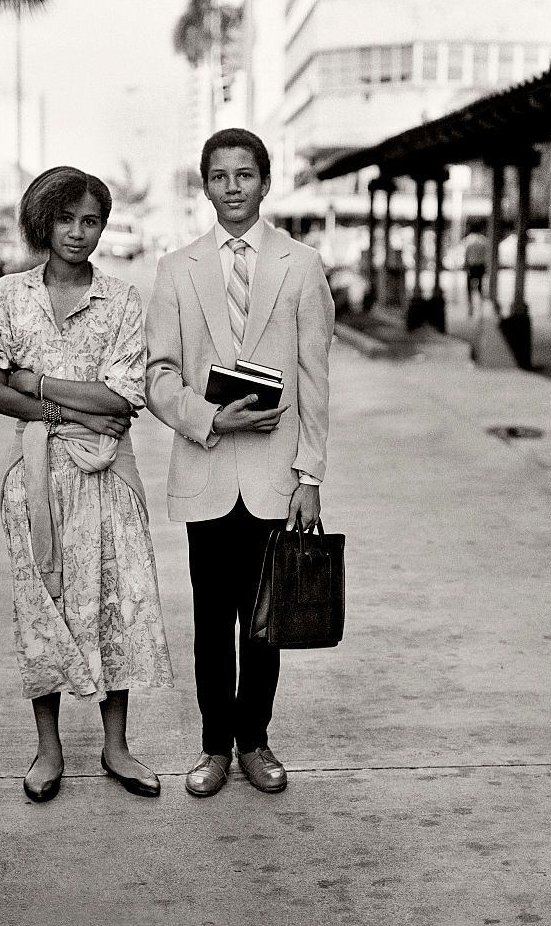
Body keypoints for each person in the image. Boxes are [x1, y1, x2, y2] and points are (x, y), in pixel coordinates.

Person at [0, 166, 173, 803]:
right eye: (66, 220)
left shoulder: (121, 300)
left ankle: (116, 746)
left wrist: (34, 382)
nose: (79, 234)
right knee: (43, 607)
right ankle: (48, 748)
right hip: (33, 480)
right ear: (42, 222)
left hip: (110, 477)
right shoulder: (8, 295)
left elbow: (120, 401)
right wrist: (71, 409)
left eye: (91, 221)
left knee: (116, 602)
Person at [145, 128, 334, 798]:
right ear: (205, 185)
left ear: (265, 181)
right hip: (206, 469)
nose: (233, 187)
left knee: (264, 624)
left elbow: (315, 378)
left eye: (245, 174)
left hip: (274, 480)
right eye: (220, 176)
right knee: (208, 624)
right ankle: (213, 748)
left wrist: (309, 475)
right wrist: (206, 417)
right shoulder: (177, 269)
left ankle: (255, 741)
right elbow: (158, 374)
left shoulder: (301, 265)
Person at [463, 232, 489, 316]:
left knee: (469, 286)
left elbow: (466, 255)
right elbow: (486, 255)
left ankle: (470, 304)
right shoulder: (483, 241)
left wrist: (466, 265)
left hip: (472, 266)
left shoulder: (469, 241)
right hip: (480, 266)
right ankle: (480, 303)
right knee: (480, 285)